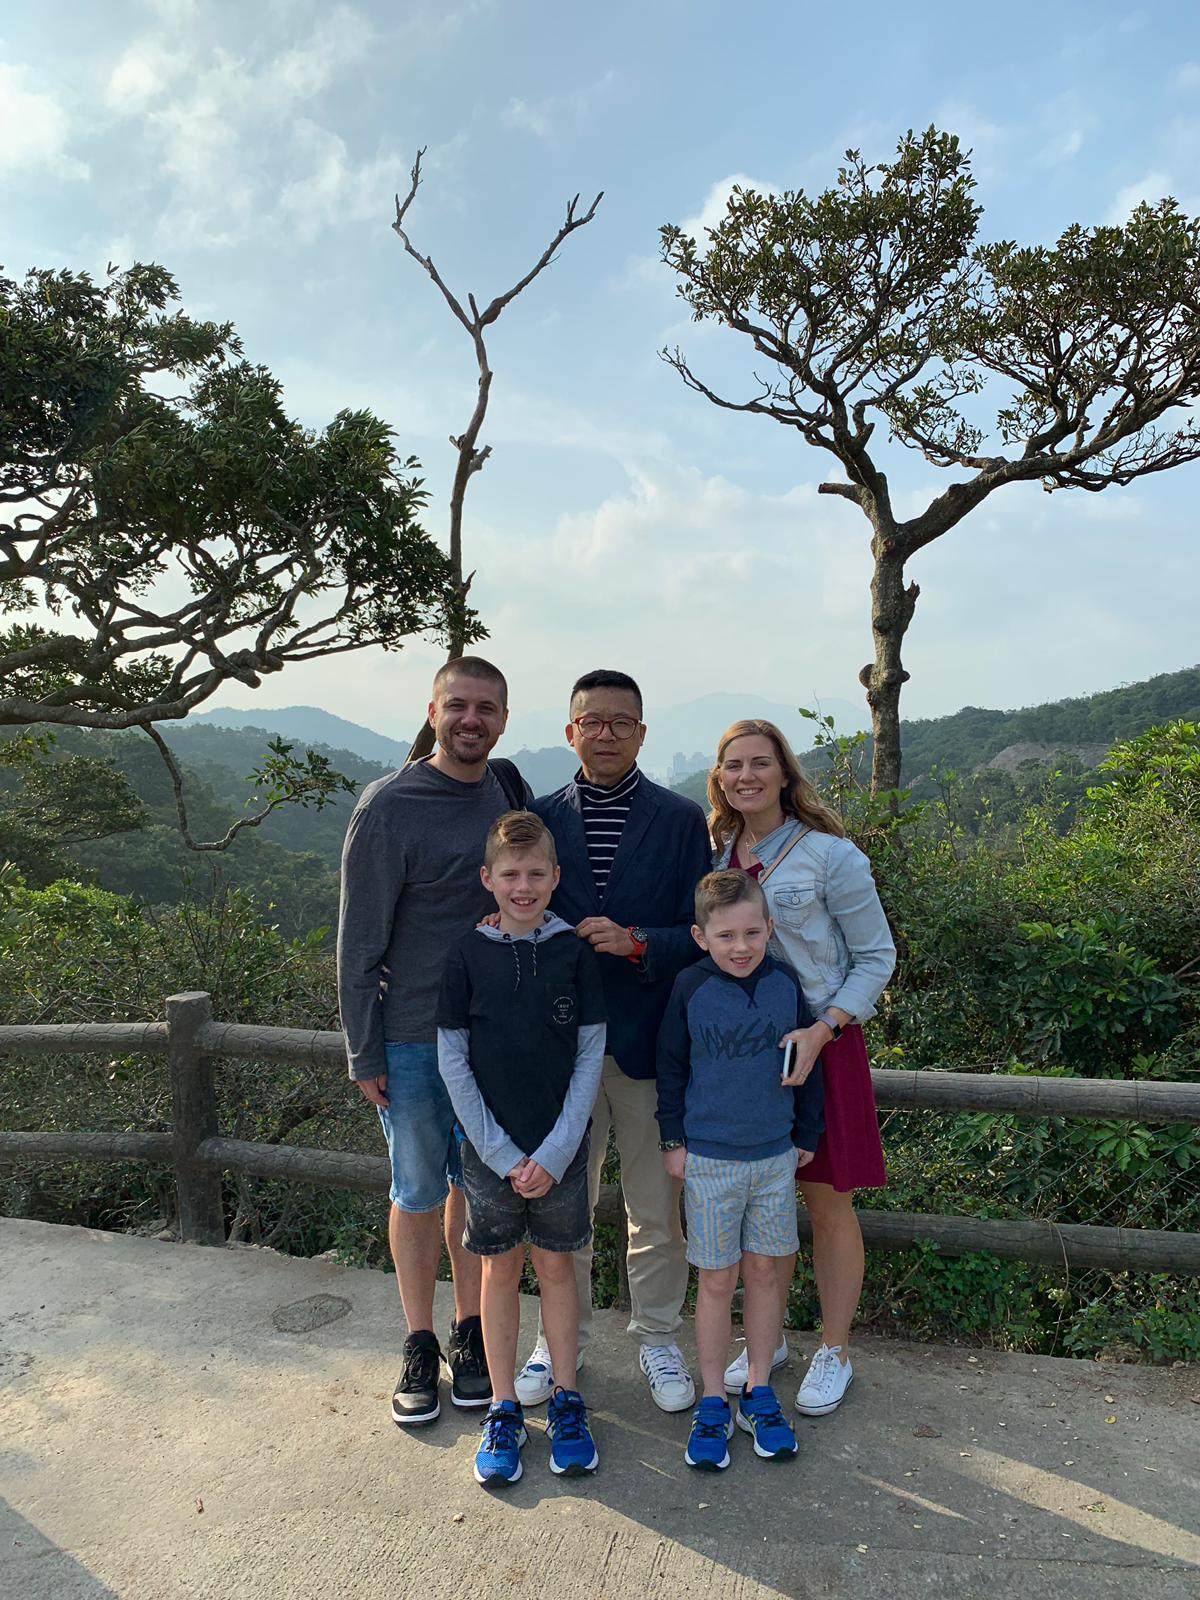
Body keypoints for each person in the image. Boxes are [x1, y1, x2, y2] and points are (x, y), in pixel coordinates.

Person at [337, 657, 529, 1427]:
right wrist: (363, 1049)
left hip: (490, 1041)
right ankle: (419, 1340)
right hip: (413, 1037)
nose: (471, 719)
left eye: (486, 707)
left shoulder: (506, 790)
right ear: (433, 711)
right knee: (416, 1193)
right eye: (458, 705)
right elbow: (358, 941)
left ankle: (471, 1331)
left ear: (504, 720)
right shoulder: (390, 804)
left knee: (476, 1195)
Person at [514, 669, 712, 1413]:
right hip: (557, 1048)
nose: (604, 733)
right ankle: (559, 1339)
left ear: (641, 733)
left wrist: (637, 943)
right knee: (560, 1204)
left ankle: (658, 1337)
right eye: (590, 721)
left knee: (654, 1205)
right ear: (569, 731)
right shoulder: (535, 817)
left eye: (619, 722)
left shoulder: (681, 819)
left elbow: (703, 935)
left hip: (645, 1039)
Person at [710, 719, 896, 1417]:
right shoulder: (717, 851)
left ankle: (836, 1348)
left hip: (823, 1044)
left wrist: (823, 1030)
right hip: (740, 1054)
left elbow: (876, 957)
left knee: (827, 1200)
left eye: (761, 763)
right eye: (734, 765)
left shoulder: (830, 855)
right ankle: (769, 1340)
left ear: (785, 774)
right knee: (758, 1201)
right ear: (720, 776)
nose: (747, 775)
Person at [436, 810, 606, 1484]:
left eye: (537, 873)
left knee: (560, 1269)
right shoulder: (465, 954)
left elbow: (592, 1055)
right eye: (511, 874)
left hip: (560, 1149)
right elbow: (453, 1061)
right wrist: (505, 1155)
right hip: (487, 1153)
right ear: (488, 879)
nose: (524, 885)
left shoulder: (575, 953)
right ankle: (504, 1406)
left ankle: (567, 1398)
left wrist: (559, 1150)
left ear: (557, 877)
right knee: (498, 1270)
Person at [657, 870, 825, 1470]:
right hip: (709, 1160)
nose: (741, 946)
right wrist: (672, 1139)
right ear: (702, 936)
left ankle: (757, 1390)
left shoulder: (786, 984)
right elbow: (671, 1068)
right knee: (716, 1281)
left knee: (765, 1274)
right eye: (726, 935)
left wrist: (806, 1133)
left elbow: (809, 1062)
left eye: (753, 932)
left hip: (775, 1158)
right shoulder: (689, 988)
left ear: (769, 929)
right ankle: (711, 1398)